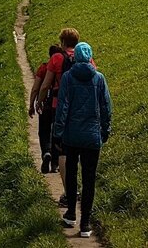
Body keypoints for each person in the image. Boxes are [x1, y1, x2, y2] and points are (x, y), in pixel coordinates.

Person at [52, 41, 111, 238]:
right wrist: (105, 130)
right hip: (92, 136)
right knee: (89, 179)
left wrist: (58, 132)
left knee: (71, 174)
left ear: (75, 58)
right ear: (90, 57)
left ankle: (71, 213)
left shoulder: (68, 77)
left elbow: (63, 106)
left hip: (72, 135)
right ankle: (85, 223)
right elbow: (106, 107)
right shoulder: (99, 78)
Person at [35, 28, 79, 196]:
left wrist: (39, 101)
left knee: (61, 147)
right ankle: (76, 187)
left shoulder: (57, 58)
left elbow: (46, 85)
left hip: (58, 105)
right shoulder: (85, 57)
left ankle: (68, 191)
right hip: (79, 107)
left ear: (62, 42)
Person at [28, 44, 63, 173]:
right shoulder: (63, 68)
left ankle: (46, 153)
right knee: (55, 132)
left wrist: (32, 104)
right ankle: (55, 164)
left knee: (44, 130)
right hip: (57, 105)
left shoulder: (43, 68)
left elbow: (36, 88)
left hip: (45, 104)